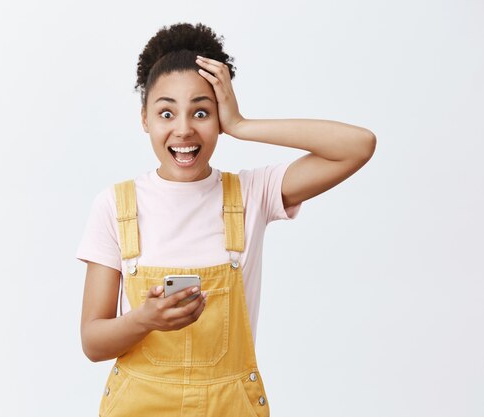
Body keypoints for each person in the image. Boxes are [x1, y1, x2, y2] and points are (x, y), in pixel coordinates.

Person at [77, 22, 376, 417]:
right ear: (145, 119)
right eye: (166, 112)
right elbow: (93, 342)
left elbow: (358, 146)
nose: (183, 129)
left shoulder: (254, 193)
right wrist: (143, 320)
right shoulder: (115, 206)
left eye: (202, 111)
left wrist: (242, 126)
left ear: (220, 115)